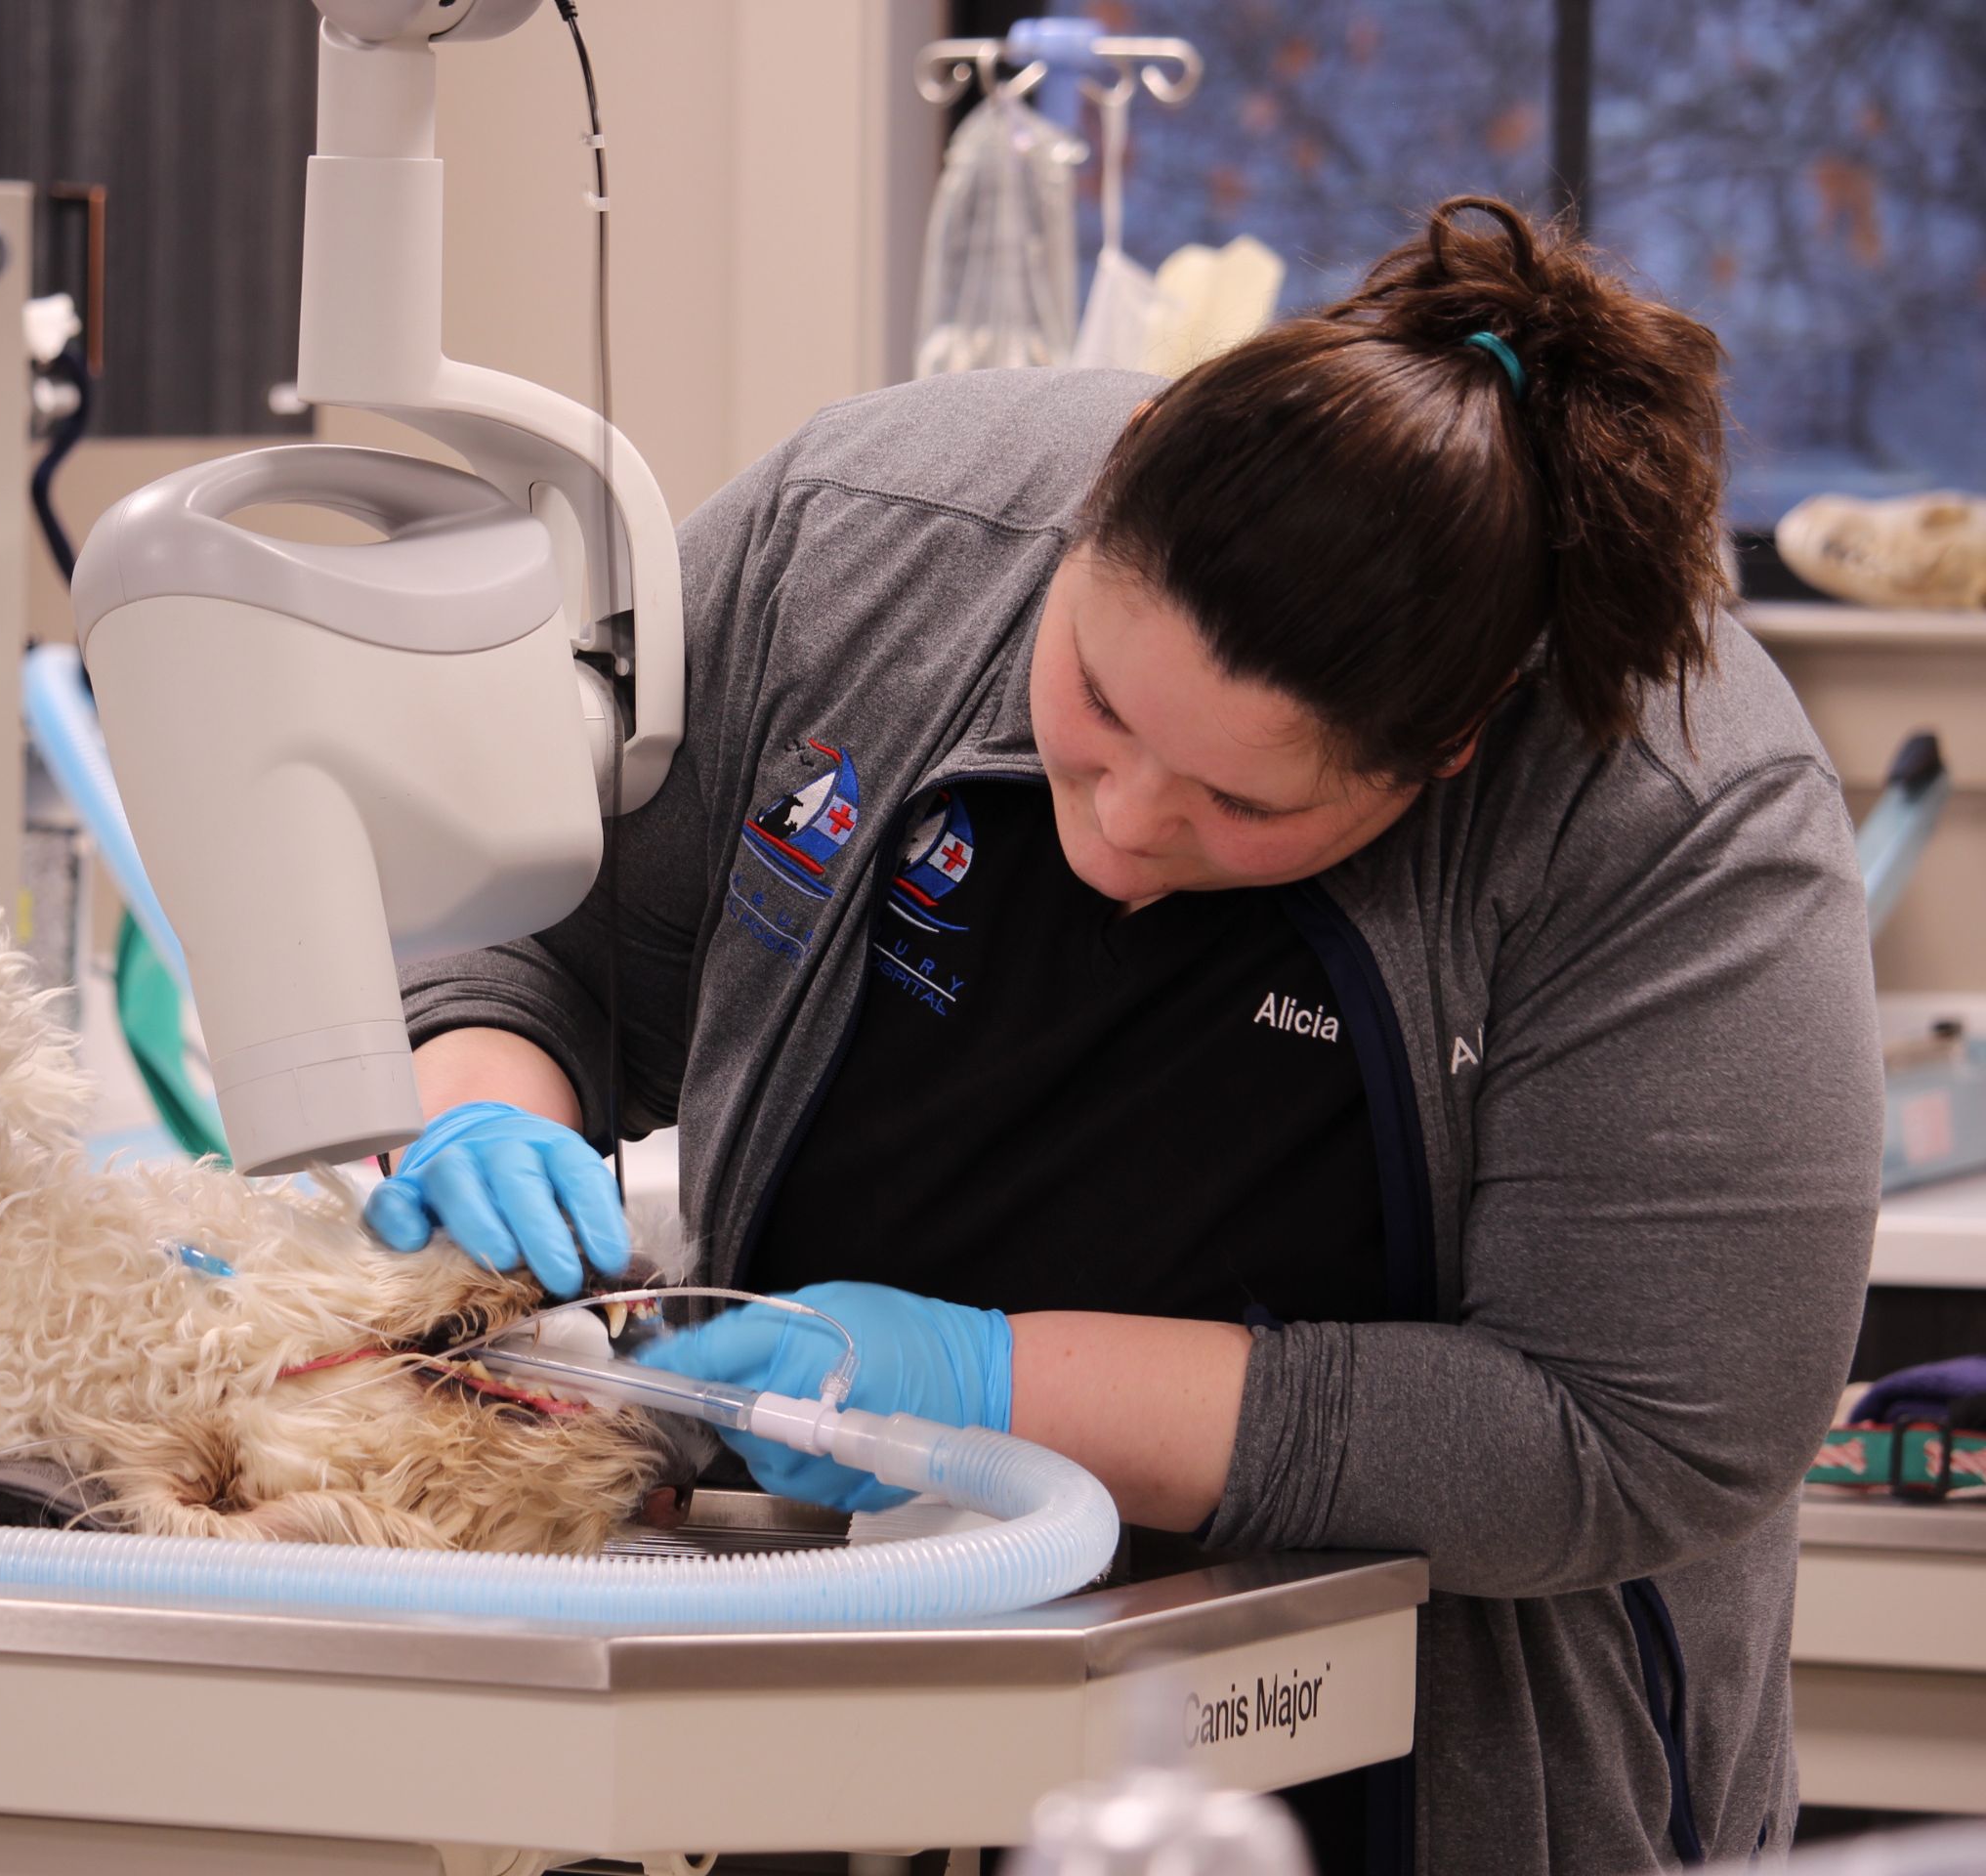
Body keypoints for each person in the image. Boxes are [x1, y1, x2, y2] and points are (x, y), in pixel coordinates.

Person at [364, 197, 1882, 1874]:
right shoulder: (871, 537)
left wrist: (982, 1383)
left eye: (1243, 802)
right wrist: (482, 1110)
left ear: (1444, 752)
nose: (1118, 831)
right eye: (1090, 705)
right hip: (831, 1681)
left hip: (1419, 1764)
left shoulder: (1667, 813)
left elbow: (1632, 1436)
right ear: (1100, 503)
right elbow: (531, 929)